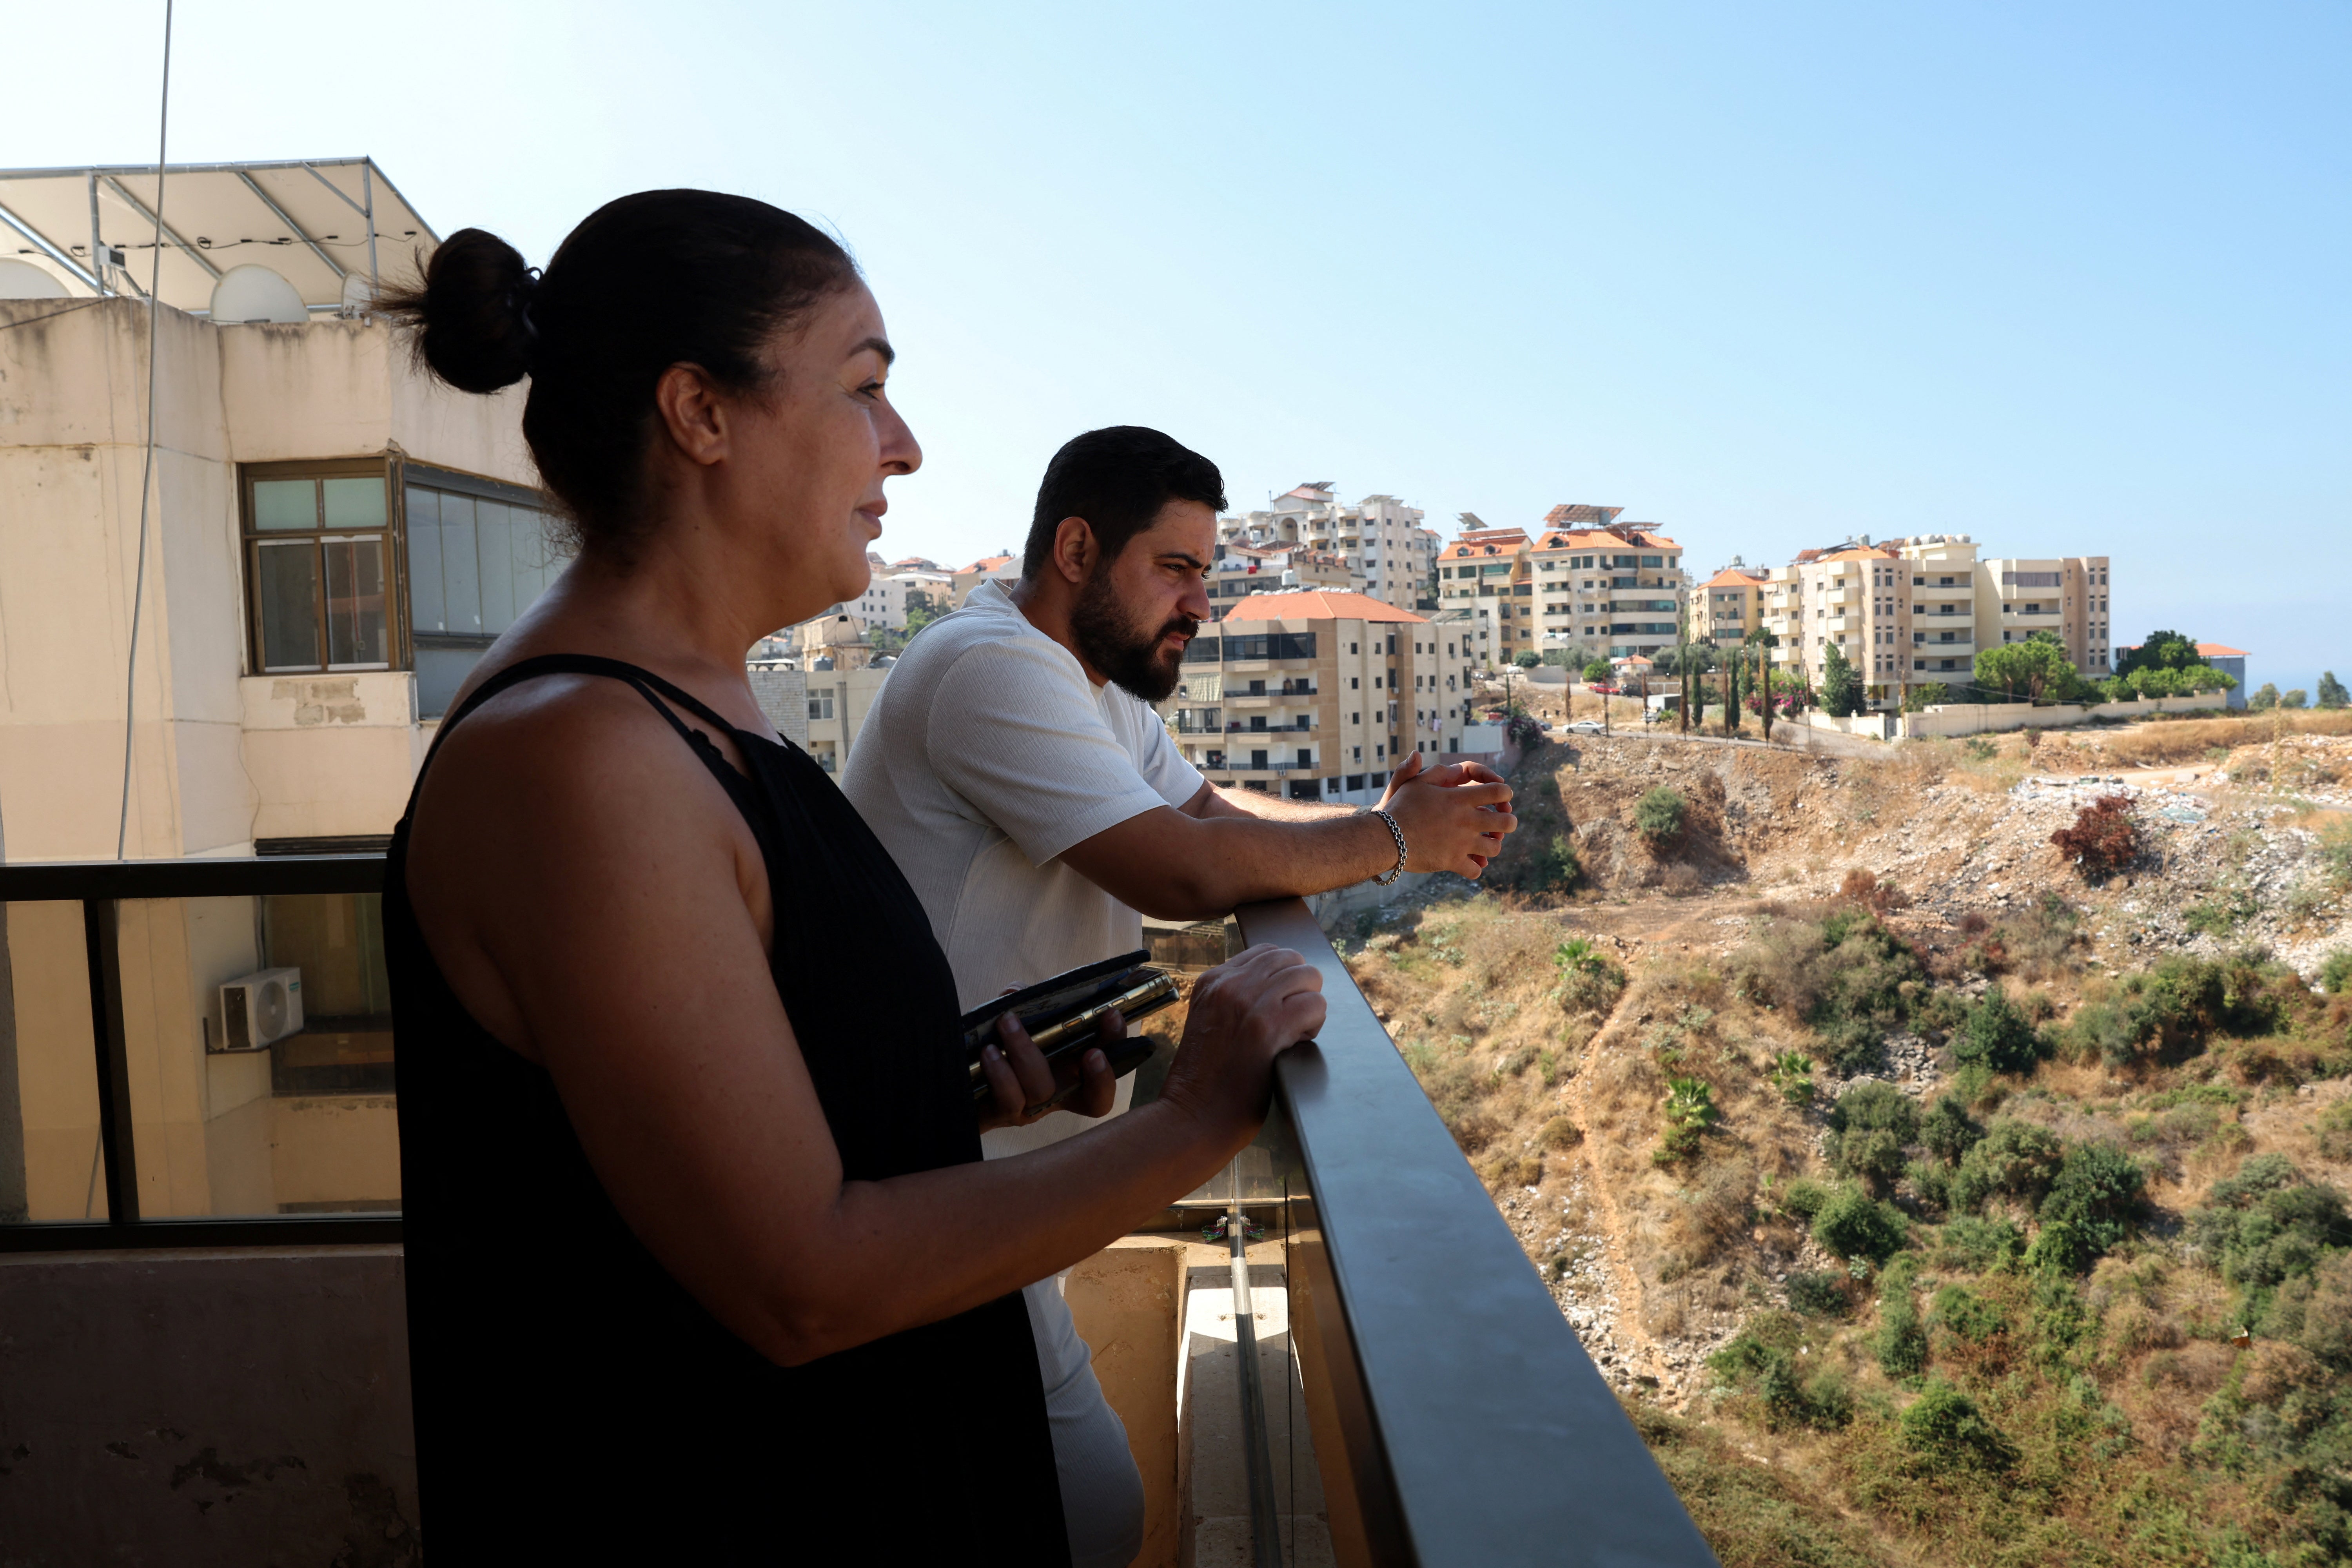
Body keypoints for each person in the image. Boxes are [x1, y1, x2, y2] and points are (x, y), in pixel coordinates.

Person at [379, 192, 1327, 1564]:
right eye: (866, 390)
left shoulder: (695, 708)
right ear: (701, 413)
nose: (907, 447)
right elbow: (797, 1279)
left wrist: (934, 1090)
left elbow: (708, 1108)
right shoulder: (585, 761)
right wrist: (1194, 1119)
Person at [841, 425, 1517, 1565]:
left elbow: (1220, 824)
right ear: (1075, 550)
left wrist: (1379, 818)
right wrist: (1396, 840)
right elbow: (1180, 871)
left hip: (994, 1166)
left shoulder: (1096, 697)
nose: (1200, 602)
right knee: (1080, 1512)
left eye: (1208, 572)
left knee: (1073, 1512)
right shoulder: (983, 667)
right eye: (1178, 569)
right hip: (916, 1197)